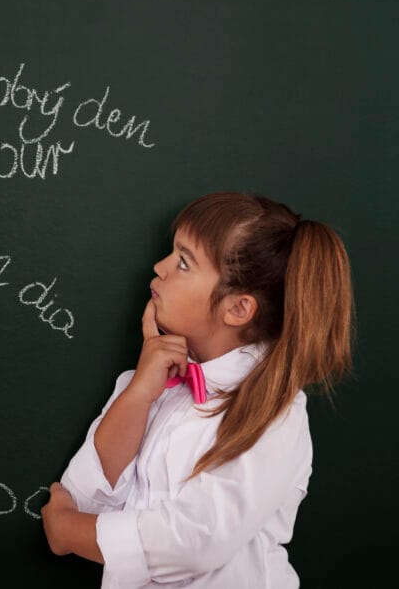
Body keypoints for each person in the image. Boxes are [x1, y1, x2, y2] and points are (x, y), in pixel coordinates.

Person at [41, 192, 354, 587]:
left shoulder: (275, 414)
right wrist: (138, 394)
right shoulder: (153, 382)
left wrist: (69, 532)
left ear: (238, 309)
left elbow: (191, 544)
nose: (159, 267)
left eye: (183, 262)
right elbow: (82, 496)